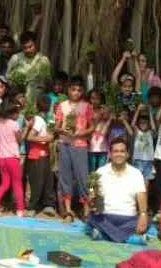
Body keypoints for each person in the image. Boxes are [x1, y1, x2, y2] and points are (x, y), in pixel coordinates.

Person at [86, 138, 150, 244]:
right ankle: (128, 239)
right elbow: (91, 195)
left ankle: (104, 236)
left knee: (147, 219)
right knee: (90, 217)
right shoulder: (100, 172)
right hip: (105, 217)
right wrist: (92, 202)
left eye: (122, 151)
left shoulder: (136, 173)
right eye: (115, 151)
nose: (119, 154)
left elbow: (141, 196)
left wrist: (143, 214)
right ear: (110, 154)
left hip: (128, 219)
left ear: (127, 154)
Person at [54, 76, 95, 223]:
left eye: (79, 90)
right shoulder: (62, 106)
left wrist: (81, 133)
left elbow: (93, 126)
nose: (76, 93)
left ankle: (86, 211)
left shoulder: (87, 106)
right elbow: (56, 127)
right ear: (68, 89)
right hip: (64, 144)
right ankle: (68, 210)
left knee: (82, 177)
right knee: (65, 177)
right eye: (73, 89)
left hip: (80, 145)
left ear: (82, 91)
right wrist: (63, 130)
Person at [0, 98, 27, 216]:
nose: (18, 115)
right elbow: (19, 140)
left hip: (2, 158)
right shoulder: (15, 125)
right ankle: (20, 209)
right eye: (17, 113)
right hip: (13, 157)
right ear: (11, 112)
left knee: (4, 183)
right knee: (17, 184)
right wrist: (27, 128)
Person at [25, 93, 58, 216]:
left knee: (48, 180)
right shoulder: (38, 120)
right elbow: (30, 136)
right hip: (37, 155)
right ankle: (33, 206)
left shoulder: (46, 120)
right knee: (38, 182)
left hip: (44, 155)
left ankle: (48, 204)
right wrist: (47, 138)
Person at [6, 31, 52, 102]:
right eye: (25, 48)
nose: (28, 50)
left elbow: (48, 82)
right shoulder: (15, 58)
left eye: (30, 46)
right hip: (19, 101)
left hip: (38, 101)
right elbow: (8, 80)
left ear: (36, 44)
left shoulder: (44, 60)